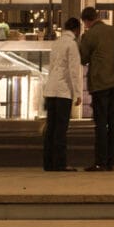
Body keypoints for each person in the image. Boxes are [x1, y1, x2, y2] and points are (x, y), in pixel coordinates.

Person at [80, 6, 114, 172]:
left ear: (86, 21)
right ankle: (111, 161)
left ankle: (100, 161)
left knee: (101, 123)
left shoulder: (89, 35)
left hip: (101, 82)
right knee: (113, 122)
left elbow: (83, 57)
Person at [43, 16, 83, 171]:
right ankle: (60, 163)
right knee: (61, 128)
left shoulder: (56, 43)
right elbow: (74, 71)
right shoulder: (71, 45)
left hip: (51, 89)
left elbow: (52, 66)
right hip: (63, 91)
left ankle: (48, 163)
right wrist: (78, 93)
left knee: (50, 128)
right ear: (77, 30)